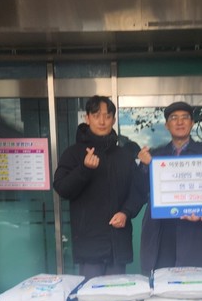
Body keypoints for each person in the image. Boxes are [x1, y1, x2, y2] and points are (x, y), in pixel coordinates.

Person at [53, 96, 145, 279]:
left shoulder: (124, 156)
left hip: (117, 245)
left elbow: (138, 192)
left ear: (114, 120)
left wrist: (126, 213)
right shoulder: (73, 153)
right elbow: (62, 188)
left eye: (107, 116)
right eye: (96, 116)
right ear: (87, 118)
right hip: (89, 248)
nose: (102, 121)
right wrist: (84, 169)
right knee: (91, 295)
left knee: (117, 295)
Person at [136, 101, 202, 275]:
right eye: (174, 118)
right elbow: (141, 189)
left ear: (192, 123)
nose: (180, 122)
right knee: (160, 280)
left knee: (192, 282)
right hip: (161, 228)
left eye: (185, 117)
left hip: (192, 229)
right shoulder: (155, 155)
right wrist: (144, 166)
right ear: (167, 125)